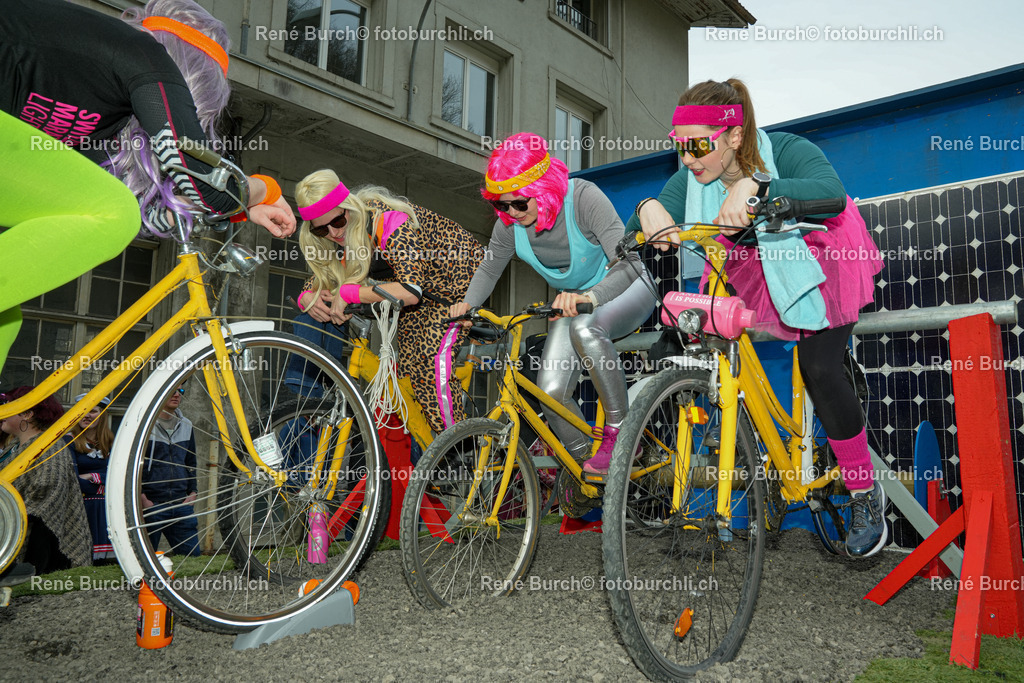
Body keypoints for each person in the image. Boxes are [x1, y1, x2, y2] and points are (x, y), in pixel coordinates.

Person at [630, 78, 885, 556]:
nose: (687, 159)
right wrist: (646, 209)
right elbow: (651, 215)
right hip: (754, 265)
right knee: (714, 355)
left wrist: (757, 182)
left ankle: (864, 495)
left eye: (698, 146)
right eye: (680, 148)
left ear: (734, 137)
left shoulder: (786, 149)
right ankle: (724, 498)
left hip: (823, 254)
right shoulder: (692, 178)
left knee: (820, 365)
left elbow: (829, 191)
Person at [0, 0, 296, 376]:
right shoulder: (148, 58)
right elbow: (207, 190)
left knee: (6, 318)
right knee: (113, 213)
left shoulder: (102, 97)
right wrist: (263, 189)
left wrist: (238, 207)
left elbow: (146, 209)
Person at [449, 133, 659, 480]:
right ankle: (582, 468)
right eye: (502, 205)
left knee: (584, 327)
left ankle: (622, 436)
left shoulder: (584, 199)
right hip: (576, 303)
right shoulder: (509, 227)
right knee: (549, 391)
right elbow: (488, 269)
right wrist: (467, 306)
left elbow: (630, 263)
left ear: (544, 189)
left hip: (629, 288)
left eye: (519, 203)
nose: (511, 213)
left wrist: (591, 297)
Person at [294, 171, 485, 433]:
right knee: (409, 379)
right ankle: (429, 458)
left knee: (430, 365)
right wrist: (307, 297)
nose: (333, 232)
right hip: (420, 299)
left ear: (349, 207)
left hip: (456, 286)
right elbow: (323, 278)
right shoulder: (337, 236)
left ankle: (458, 450)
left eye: (337, 220)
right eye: (320, 228)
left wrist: (351, 294)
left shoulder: (389, 220)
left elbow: (410, 289)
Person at [0, 387, 92, 573]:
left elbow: (45, 508)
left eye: (8, 406)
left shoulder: (49, 449)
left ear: (27, 414)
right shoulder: (16, 447)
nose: (3, 411)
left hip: (44, 552)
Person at [142, 383, 200, 556]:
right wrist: (142, 498)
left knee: (193, 558)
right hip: (152, 504)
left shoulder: (186, 424)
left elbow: (191, 461)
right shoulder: (146, 424)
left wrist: (193, 492)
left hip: (181, 503)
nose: (177, 395)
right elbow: (135, 464)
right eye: (172, 390)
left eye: (180, 390)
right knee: (145, 560)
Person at [68, 393, 116, 562]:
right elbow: (72, 480)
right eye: (83, 411)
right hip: (81, 506)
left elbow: (117, 476)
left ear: (102, 415)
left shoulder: (112, 442)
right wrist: (104, 481)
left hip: (108, 508)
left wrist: (92, 476)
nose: (87, 415)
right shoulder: (69, 441)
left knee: (109, 563)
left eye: (93, 411)